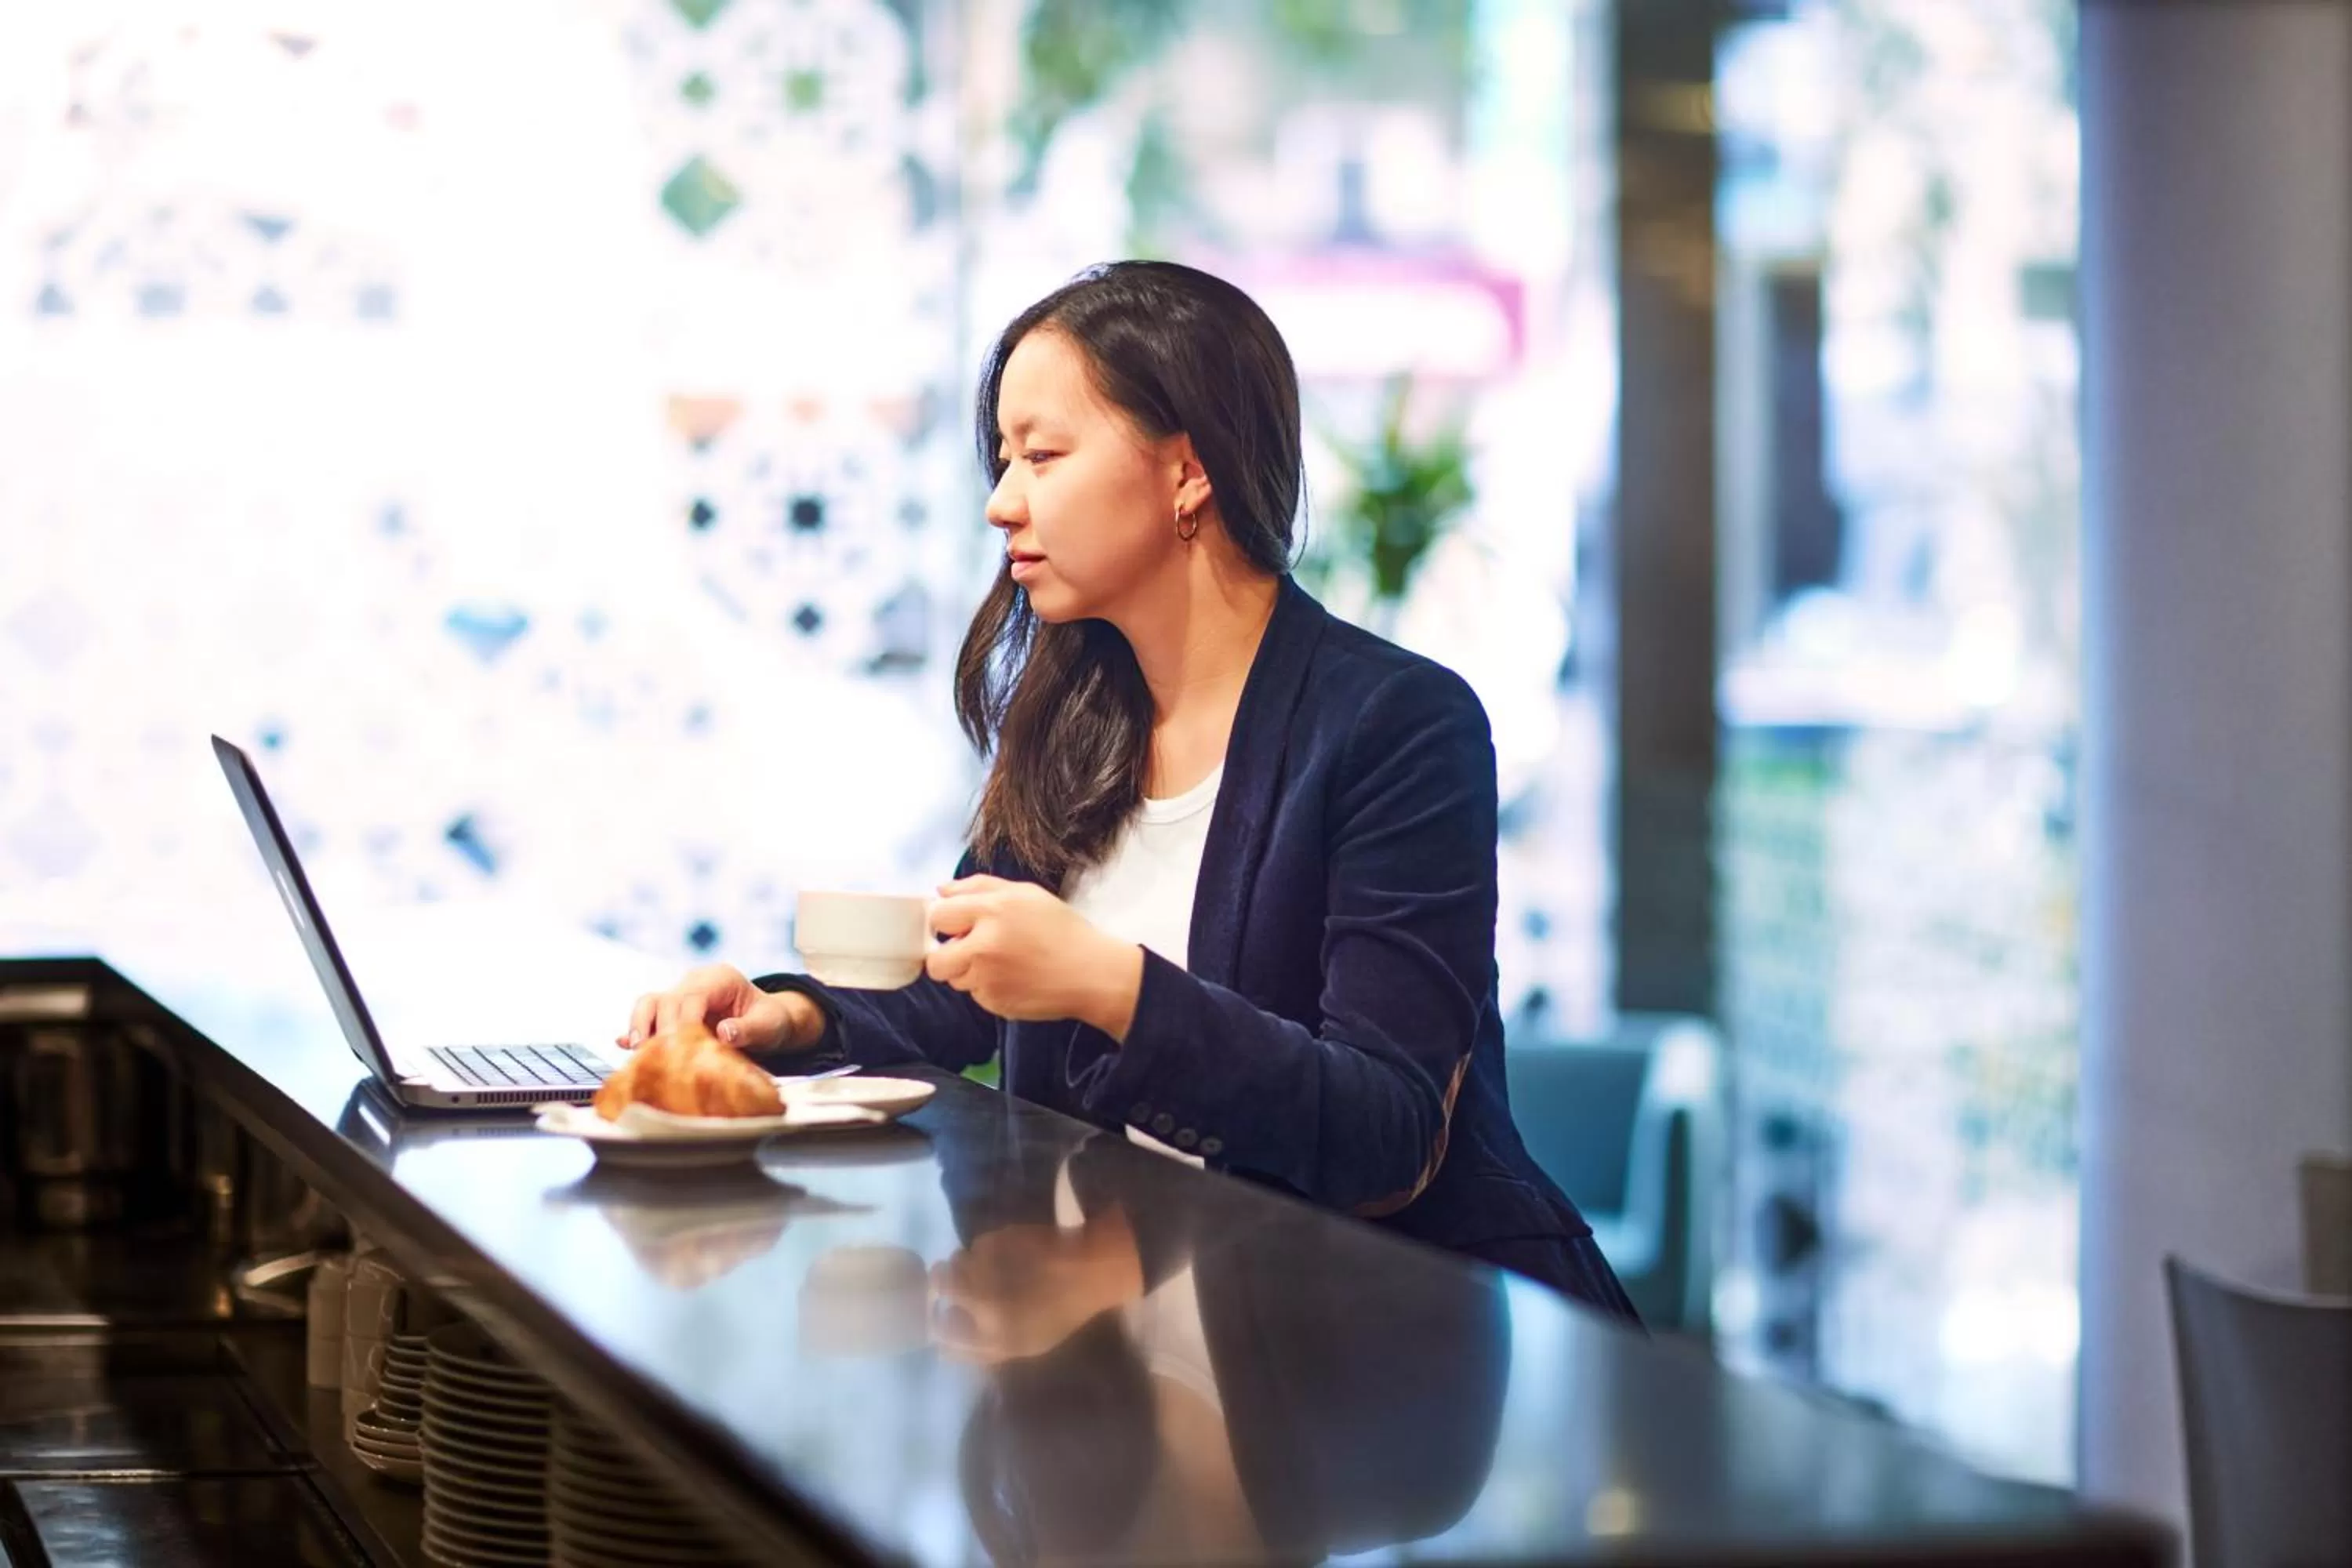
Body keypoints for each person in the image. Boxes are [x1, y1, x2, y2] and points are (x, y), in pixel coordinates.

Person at [622, 260, 1637, 1321]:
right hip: (1117, 1353)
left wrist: (1110, 985)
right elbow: (962, 993)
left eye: (1043, 456)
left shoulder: (1397, 726)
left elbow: (1385, 1130)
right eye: (1004, 458)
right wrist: (784, 1016)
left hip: (1375, 1355)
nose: (1001, 502)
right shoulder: (1074, 719)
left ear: (1186, 472)